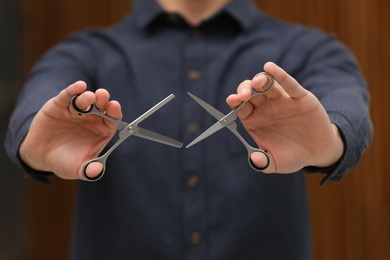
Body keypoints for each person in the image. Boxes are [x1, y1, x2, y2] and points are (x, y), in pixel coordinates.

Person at [5, 0, 373, 259]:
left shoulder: (310, 49)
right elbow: (41, 95)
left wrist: (331, 139)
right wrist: (32, 145)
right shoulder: (85, 52)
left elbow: (343, 99)